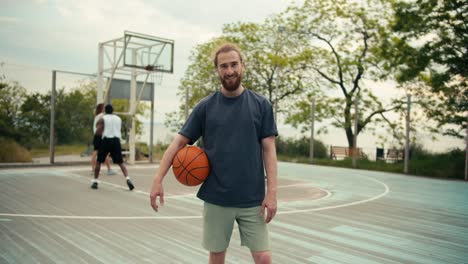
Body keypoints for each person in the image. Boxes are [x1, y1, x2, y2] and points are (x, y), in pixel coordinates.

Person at [150, 43, 278, 264]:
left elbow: (269, 150)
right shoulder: (205, 107)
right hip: (217, 198)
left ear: (242, 66)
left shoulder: (261, 105)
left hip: (253, 199)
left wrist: (272, 192)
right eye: (224, 66)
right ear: (217, 70)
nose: (229, 71)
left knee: (264, 258)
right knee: (217, 257)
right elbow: (178, 143)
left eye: (234, 64)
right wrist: (157, 179)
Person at [92, 104, 135, 191]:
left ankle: (95, 181)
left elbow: (98, 129)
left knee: (99, 161)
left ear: (105, 111)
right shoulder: (118, 118)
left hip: (106, 140)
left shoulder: (103, 118)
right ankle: (128, 178)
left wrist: (97, 141)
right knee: (120, 162)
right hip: (116, 141)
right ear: (113, 110)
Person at [91, 103, 116, 176]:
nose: (105, 108)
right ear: (102, 108)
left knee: (99, 153)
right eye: (104, 107)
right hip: (100, 136)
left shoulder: (98, 116)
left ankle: (105, 169)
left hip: (97, 135)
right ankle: (108, 169)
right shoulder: (102, 115)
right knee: (101, 153)